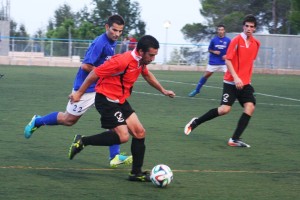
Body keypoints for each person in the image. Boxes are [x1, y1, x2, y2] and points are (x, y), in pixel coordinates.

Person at [24, 14, 132, 167]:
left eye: (120, 31)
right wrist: (105, 74)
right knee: (68, 120)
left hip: (101, 89)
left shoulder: (112, 42)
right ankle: (38, 121)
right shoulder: (100, 43)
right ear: (107, 27)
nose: (117, 34)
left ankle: (114, 156)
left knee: (113, 120)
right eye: (114, 30)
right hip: (85, 88)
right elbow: (86, 66)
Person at [68, 35, 175, 182]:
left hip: (120, 100)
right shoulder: (122, 61)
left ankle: (136, 173)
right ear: (141, 51)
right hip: (106, 99)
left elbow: (147, 75)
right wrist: (79, 93)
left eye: (154, 55)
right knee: (123, 136)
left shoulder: (140, 62)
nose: (152, 58)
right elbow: (94, 73)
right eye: (151, 55)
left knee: (139, 132)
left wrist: (163, 90)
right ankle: (83, 141)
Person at [184, 14, 260, 148]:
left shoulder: (256, 44)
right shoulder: (236, 41)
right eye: (246, 26)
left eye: (251, 27)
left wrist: (246, 79)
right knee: (224, 110)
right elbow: (228, 60)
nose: (248, 28)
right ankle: (196, 122)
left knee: (250, 107)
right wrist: (236, 77)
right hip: (231, 82)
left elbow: (249, 63)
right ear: (243, 27)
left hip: (245, 83)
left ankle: (234, 139)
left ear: (254, 29)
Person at [189, 24, 231, 97]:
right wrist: (214, 52)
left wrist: (227, 55)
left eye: (222, 30)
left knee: (230, 77)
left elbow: (231, 50)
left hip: (224, 63)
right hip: (213, 62)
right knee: (206, 75)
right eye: (219, 30)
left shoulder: (228, 40)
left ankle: (235, 94)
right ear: (217, 31)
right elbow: (209, 49)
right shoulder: (213, 40)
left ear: (224, 31)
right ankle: (197, 90)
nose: (220, 31)